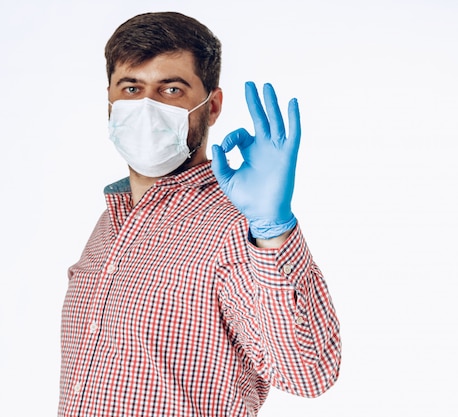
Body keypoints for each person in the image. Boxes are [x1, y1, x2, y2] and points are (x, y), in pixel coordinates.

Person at [59, 11, 341, 416]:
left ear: (212, 107)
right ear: (110, 100)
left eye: (171, 89)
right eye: (131, 87)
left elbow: (308, 373)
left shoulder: (236, 227)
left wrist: (273, 232)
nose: (146, 106)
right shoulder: (109, 222)